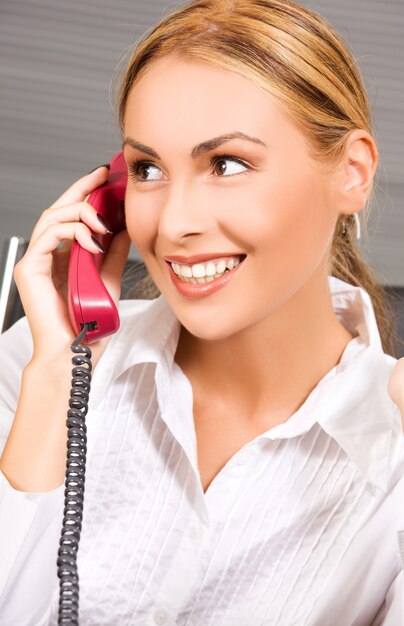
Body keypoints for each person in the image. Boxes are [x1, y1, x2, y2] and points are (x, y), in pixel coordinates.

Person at [0, 0, 403, 624]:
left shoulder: (396, 449)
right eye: (148, 169)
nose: (176, 223)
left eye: (228, 164)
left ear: (351, 173)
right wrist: (57, 383)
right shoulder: (34, 364)